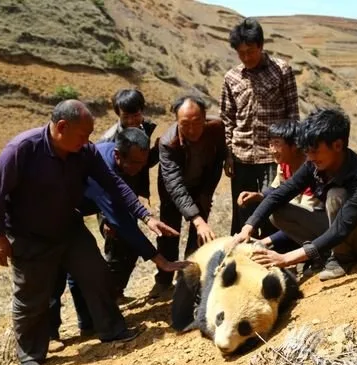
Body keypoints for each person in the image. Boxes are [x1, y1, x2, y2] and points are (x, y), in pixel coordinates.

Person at [0, 100, 185, 365]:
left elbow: (114, 184)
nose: (88, 141)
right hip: (28, 234)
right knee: (32, 295)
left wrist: (146, 215)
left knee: (96, 273)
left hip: (68, 227)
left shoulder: (84, 151)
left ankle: (112, 329)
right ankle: (31, 353)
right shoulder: (22, 149)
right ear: (62, 127)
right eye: (83, 135)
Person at [49, 128, 190, 347]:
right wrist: (160, 260)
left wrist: (146, 217)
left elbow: (124, 194)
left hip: (71, 214)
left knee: (81, 270)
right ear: (118, 155)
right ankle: (50, 335)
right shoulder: (103, 164)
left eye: (142, 163)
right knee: (56, 275)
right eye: (134, 163)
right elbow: (121, 220)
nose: (138, 168)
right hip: (52, 215)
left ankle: (89, 324)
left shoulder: (121, 162)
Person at [232, 108, 357, 281]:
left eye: (314, 151)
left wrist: (286, 258)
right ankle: (325, 254)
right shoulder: (314, 164)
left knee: (335, 196)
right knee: (278, 213)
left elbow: (341, 228)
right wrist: (248, 228)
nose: (309, 157)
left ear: (337, 145)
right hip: (338, 231)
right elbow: (280, 194)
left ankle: (341, 259)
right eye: (307, 151)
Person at [220, 17, 300, 238]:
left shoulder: (282, 70)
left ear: (261, 46)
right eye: (241, 53)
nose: (246, 57)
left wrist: (292, 152)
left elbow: (293, 113)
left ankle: (276, 259)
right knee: (244, 210)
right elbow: (227, 118)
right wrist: (228, 154)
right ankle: (246, 261)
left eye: (251, 51)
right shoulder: (231, 77)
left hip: (273, 156)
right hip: (241, 156)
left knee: (274, 208)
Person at [155, 95, 227, 297]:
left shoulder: (216, 127)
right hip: (172, 191)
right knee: (169, 232)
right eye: (185, 124)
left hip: (201, 184)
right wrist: (196, 218)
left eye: (197, 123)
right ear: (176, 121)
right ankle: (163, 280)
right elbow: (175, 185)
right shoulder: (168, 143)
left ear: (205, 118)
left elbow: (219, 157)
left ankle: (189, 277)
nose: (192, 130)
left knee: (199, 235)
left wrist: (206, 193)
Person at [237, 120, 322, 253]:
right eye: (270, 144)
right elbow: (277, 190)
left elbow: (303, 224)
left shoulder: (314, 169)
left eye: (276, 144)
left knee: (277, 212)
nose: (272, 150)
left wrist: (265, 242)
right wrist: (259, 196)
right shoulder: (284, 165)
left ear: (294, 145)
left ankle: (317, 253)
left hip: (320, 229)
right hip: (301, 228)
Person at [100, 88, 158, 203]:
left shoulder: (145, 129)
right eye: (126, 117)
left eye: (136, 115)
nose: (131, 121)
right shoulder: (109, 140)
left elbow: (142, 162)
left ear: (142, 111)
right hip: (112, 197)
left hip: (133, 192)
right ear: (118, 114)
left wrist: (157, 150)